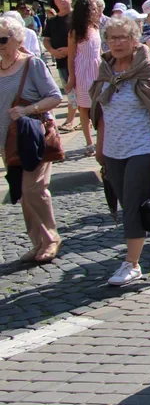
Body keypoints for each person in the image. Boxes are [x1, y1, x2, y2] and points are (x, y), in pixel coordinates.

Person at [90, 16, 150, 285]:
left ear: (135, 40)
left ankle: (131, 264)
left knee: (132, 206)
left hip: (142, 148)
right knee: (134, 206)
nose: (117, 43)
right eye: (112, 38)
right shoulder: (105, 70)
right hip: (113, 149)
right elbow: (101, 113)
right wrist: (99, 148)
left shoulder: (146, 69)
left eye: (123, 37)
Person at [0, 17, 63, 263]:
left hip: (31, 138)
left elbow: (55, 96)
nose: (0, 45)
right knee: (23, 192)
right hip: (7, 142)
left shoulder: (32, 64)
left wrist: (28, 110)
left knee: (33, 188)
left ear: (18, 39)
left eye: (3, 39)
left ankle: (51, 237)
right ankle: (38, 242)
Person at [66, 0, 101, 150]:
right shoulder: (75, 32)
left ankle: (101, 139)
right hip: (83, 70)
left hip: (97, 69)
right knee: (84, 107)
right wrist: (71, 77)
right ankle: (89, 143)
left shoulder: (95, 27)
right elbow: (71, 56)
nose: (95, 11)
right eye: (92, 9)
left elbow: (99, 51)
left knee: (99, 105)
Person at [42, 0, 76, 133]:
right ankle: (74, 119)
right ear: (55, 2)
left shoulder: (77, 17)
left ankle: (71, 120)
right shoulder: (52, 21)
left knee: (78, 91)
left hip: (77, 61)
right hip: (61, 63)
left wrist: (70, 50)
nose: (62, 0)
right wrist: (52, 51)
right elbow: (46, 39)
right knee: (70, 92)